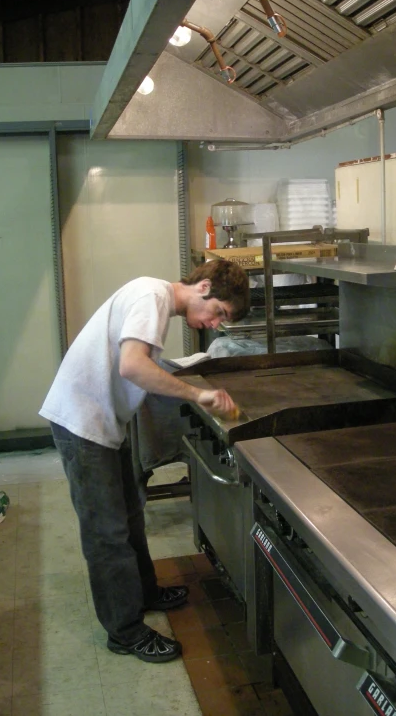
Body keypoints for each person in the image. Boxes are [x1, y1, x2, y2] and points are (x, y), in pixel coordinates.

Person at [39, 260, 250, 663]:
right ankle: (125, 631)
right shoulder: (152, 296)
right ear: (203, 286)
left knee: (130, 516)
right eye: (219, 312)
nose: (213, 324)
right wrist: (196, 394)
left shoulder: (154, 299)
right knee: (107, 533)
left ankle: (146, 593)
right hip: (83, 424)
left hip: (102, 421)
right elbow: (133, 365)